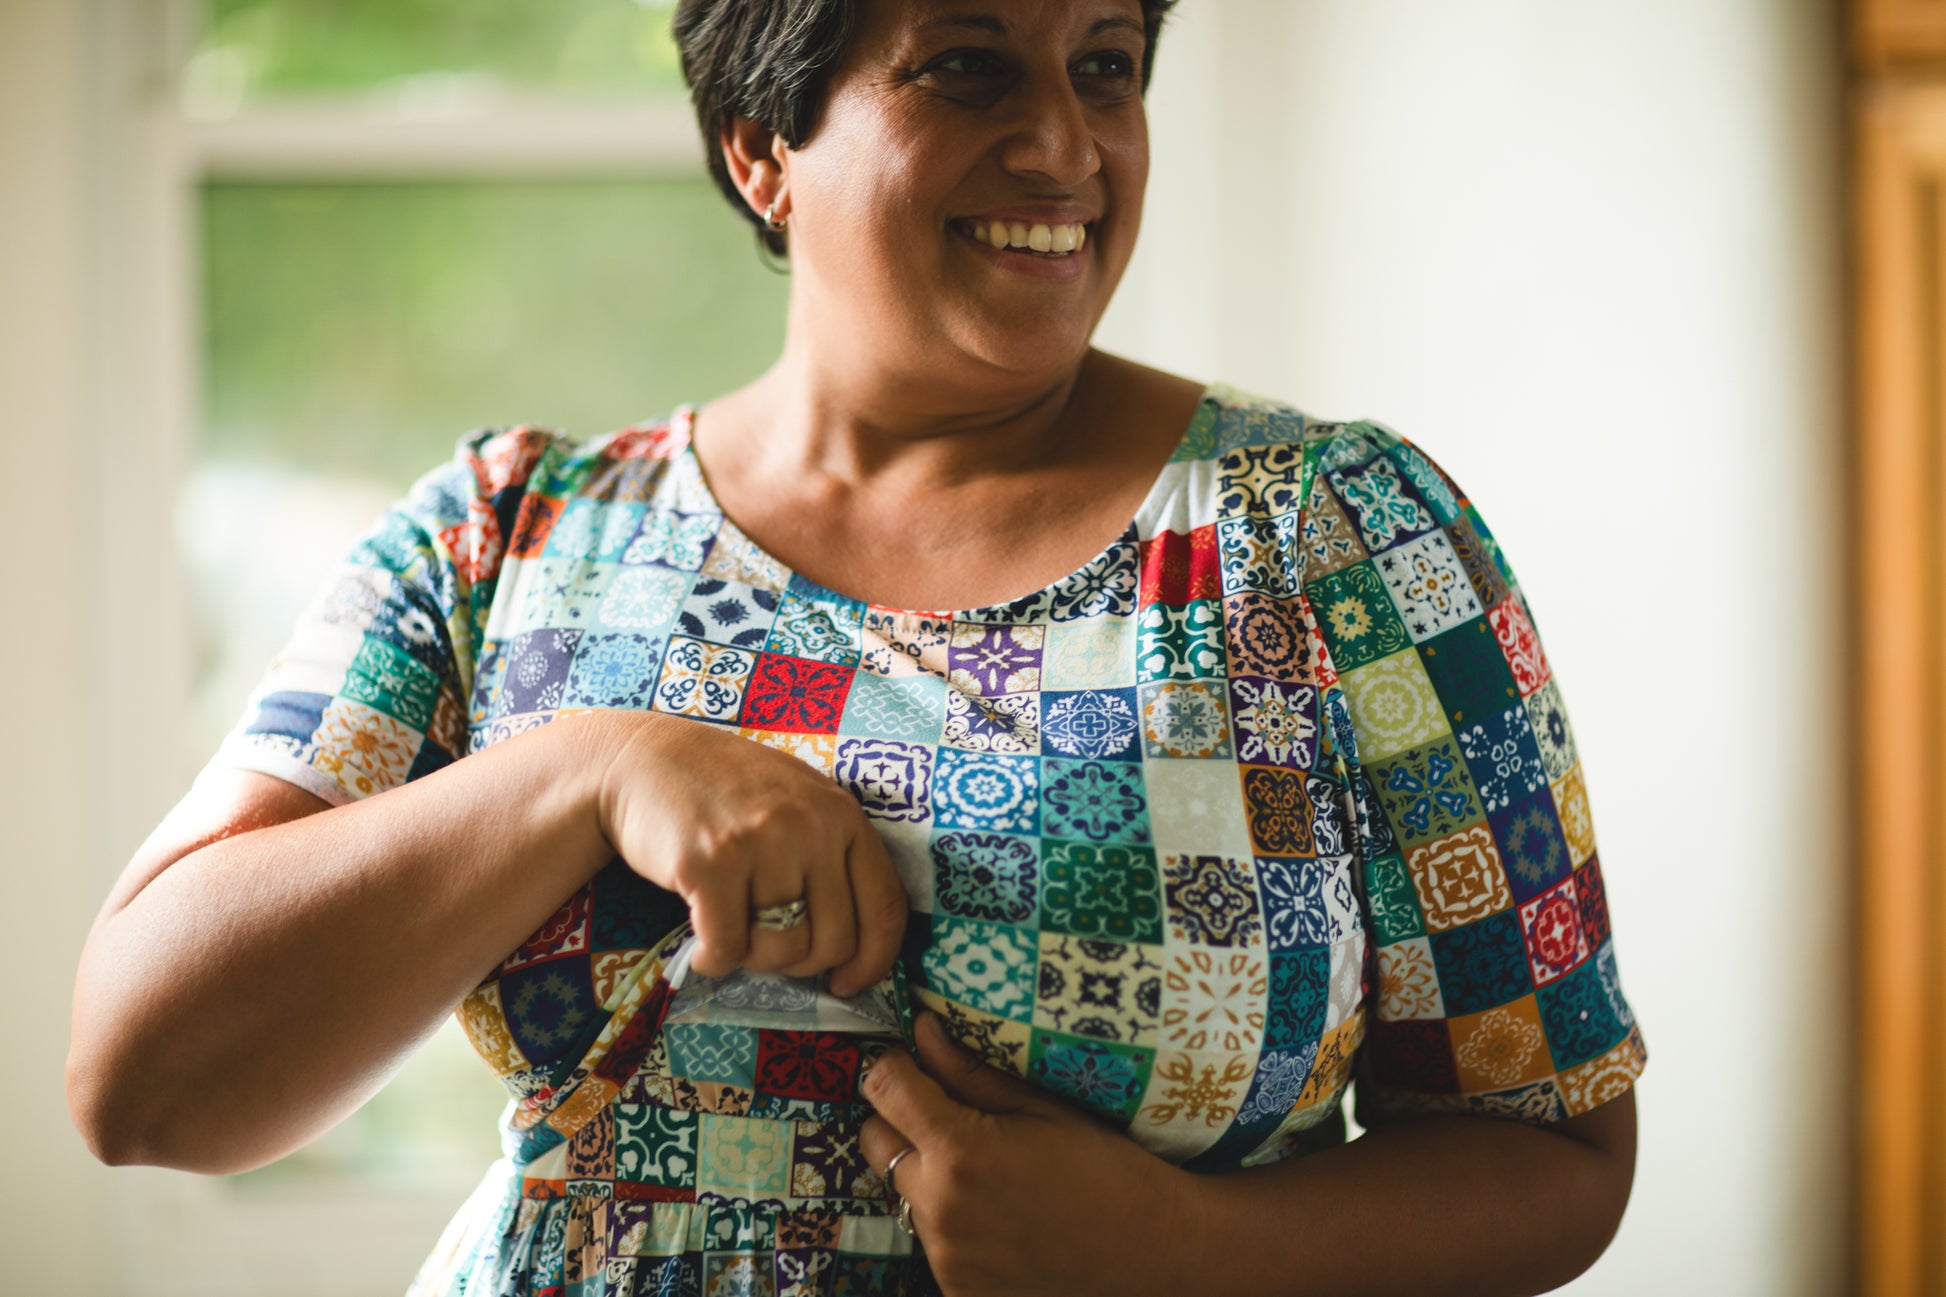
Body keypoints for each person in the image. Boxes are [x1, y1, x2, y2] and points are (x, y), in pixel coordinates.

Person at [67, 1, 1647, 1293]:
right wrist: (585, 771)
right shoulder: (502, 538)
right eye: (966, 64)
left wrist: (1194, 1250)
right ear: (762, 143)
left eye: (1105, 64)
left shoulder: (1337, 538)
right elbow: (142, 1078)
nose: (1062, 143)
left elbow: (1554, 1149)